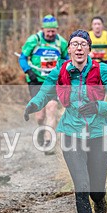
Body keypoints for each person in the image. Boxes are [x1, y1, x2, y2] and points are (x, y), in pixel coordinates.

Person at [24, 29, 107, 213]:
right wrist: (33, 105)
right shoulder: (60, 71)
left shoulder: (104, 71)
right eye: (74, 44)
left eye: (83, 44)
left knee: (96, 188)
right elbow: (44, 93)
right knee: (81, 186)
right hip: (71, 133)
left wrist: (99, 107)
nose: (79, 48)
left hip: (98, 134)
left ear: (89, 48)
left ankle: (99, 199)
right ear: (68, 49)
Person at [19, 15, 69, 151]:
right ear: (42, 29)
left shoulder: (61, 43)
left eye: (53, 31)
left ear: (57, 29)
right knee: (40, 115)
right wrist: (28, 71)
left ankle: (48, 142)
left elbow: (67, 59)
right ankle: (41, 129)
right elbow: (22, 58)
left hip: (52, 81)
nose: (51, 34)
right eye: (48, 31)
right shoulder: (34, 40)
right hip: (36, 81)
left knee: (52, 107)